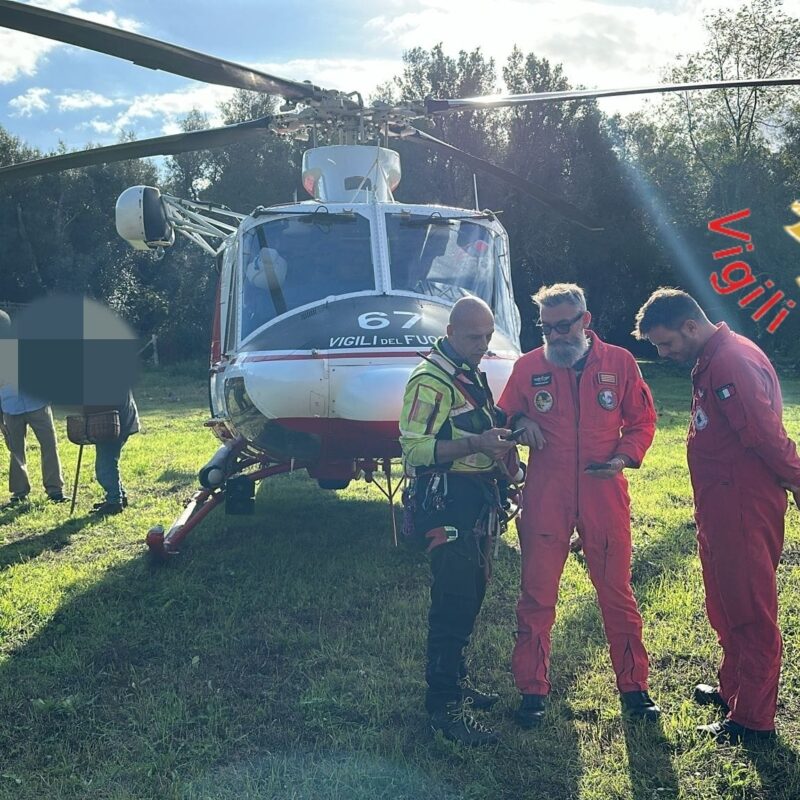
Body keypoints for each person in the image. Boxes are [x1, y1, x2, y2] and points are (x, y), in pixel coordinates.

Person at [633, 288, 800, 744]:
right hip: (721, 506)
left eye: (666, 343)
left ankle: (753, 722)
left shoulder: (730, 361)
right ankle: (735, 693)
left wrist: (797, 480)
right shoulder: (712, 358)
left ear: (691, 325)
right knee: (725, 605)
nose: (663, 354)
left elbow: (766, 435)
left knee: (749, 611)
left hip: (743, 507)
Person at [498, 283, 660, 728]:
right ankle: (532, 690)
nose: (555, 336)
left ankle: (634, 687)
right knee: (536, 595)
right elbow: (505, 414)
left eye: (563, 326)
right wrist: (522, 421)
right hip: (545, 494)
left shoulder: (620, 363)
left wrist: (622, 458)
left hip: (603, 491)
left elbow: (643, 421)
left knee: (616, 593)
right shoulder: (528, 366)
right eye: (546, 328)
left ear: (585, 321)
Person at [399, 296, 518, 746]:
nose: (483, 345)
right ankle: (443, 706)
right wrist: (477, 445)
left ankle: (457, 681)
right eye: (473, 337)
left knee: (472, 593)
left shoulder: (467, 370)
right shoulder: (430, 381)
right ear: (449, 332)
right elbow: (413, 450)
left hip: (475, 498)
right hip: (445, 501)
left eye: (488, 336)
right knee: (452, 599)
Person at [0, 309, 65, 507]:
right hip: (11, 406)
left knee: (48, 445)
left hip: (36, 403)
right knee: (16, 450)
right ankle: (21, 491)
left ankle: (54, 489)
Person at [89, 389, 140, 516]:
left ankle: (114, 502)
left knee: (105, 466)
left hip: (112, 422)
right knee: (109, 461)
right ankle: (119, 496)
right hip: (118, 420)